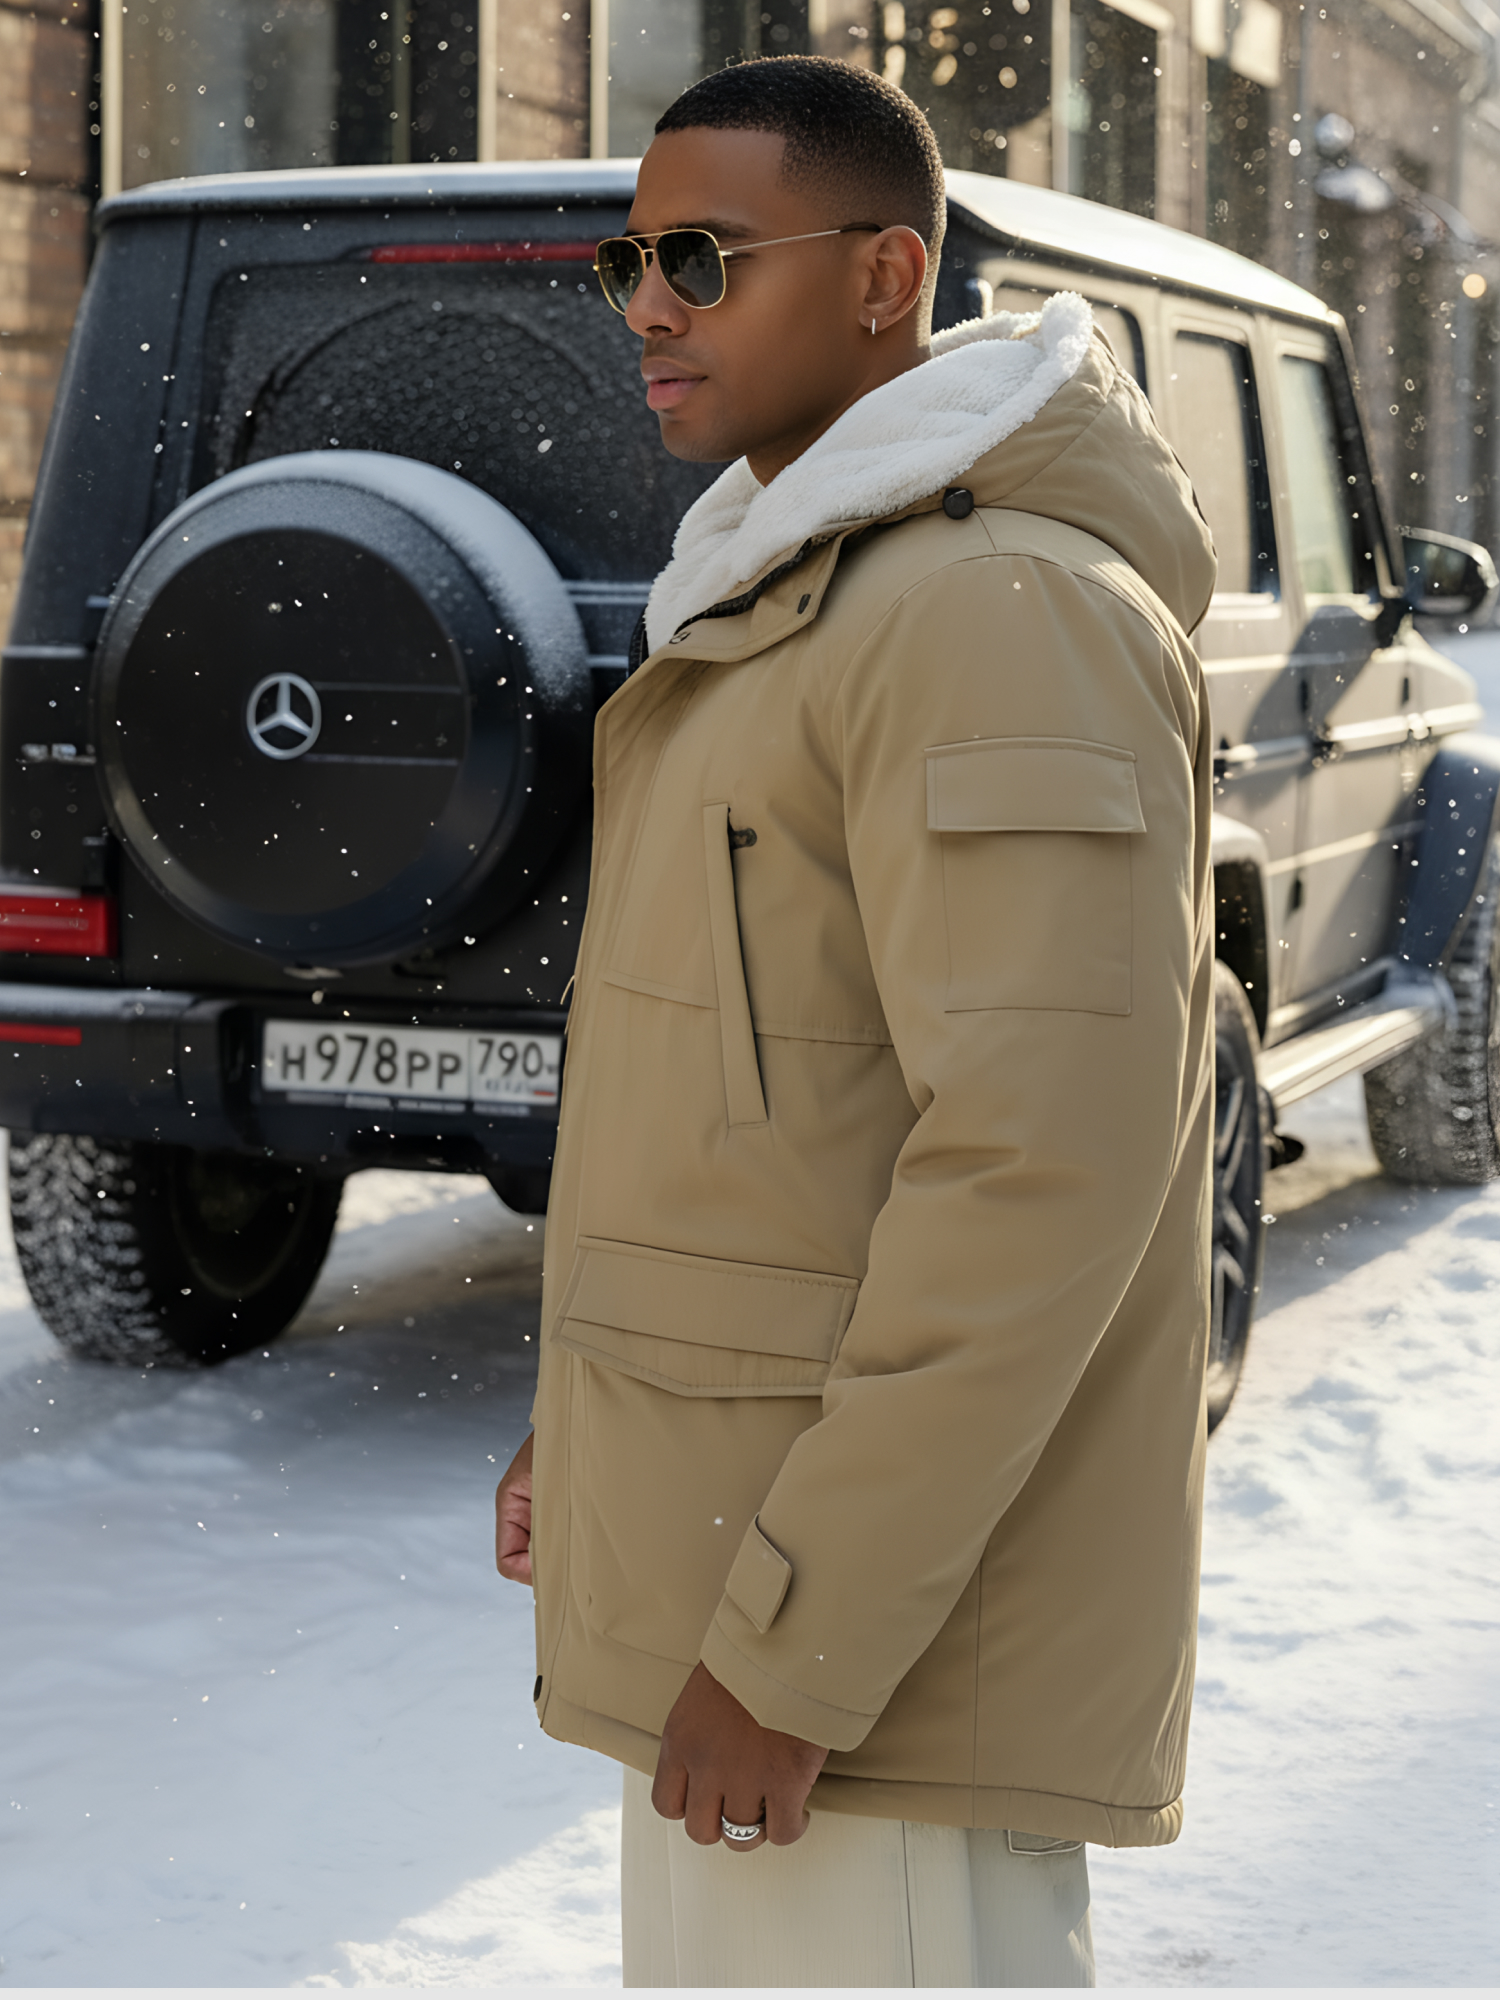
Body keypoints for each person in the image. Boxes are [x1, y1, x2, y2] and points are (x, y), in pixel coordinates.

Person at [495, 54, 1217, 1988]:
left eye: (703, 258)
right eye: (631, 261)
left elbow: (1039, 1172)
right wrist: (595, 1429)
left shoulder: (991, 612)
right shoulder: (793, 591)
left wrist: (797, 1649)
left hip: (867, 1685)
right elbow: (758, 1116)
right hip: (749, 1602)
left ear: (889, 275)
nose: (647, 308)